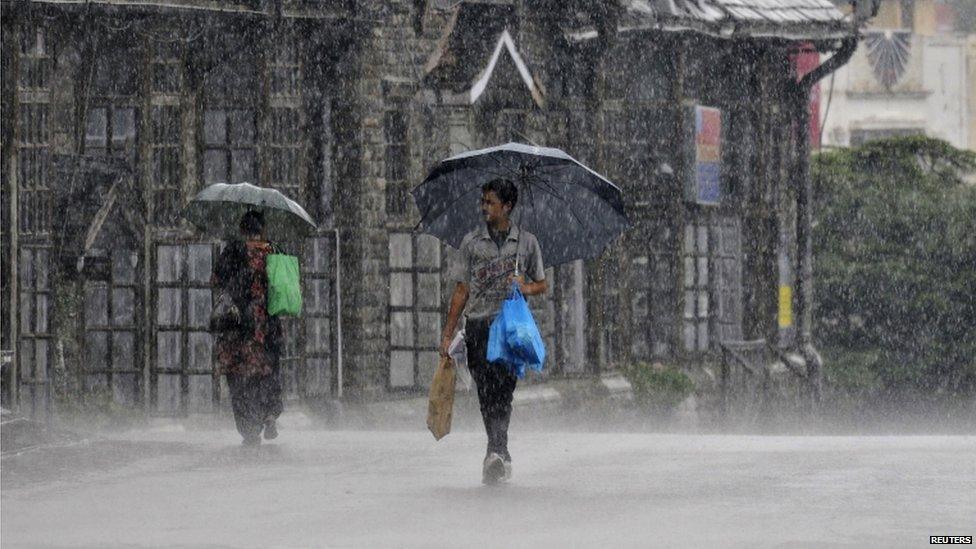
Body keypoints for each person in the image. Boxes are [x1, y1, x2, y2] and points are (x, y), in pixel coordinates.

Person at [440, 178, 547, 484]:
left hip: (510, 329)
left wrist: (523, 286)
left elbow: (541, 283)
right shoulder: (471, 243)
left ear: (508, 206)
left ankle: (496, 450)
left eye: (491, 202)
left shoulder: (526, 243)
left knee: (504, 390)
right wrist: (448, 333)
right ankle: (498, 449)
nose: (484, 207)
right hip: (478, 326)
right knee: (486, 391)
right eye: (483, 202)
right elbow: (461, 290)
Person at [212, 210, 284, 446]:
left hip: (239, 328)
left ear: (242, 229)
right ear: (262, 230)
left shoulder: (234, 250)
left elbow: (216, 280)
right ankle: (269, 413)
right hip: (266, 327)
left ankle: (249, 430)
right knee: (266, 373)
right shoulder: (273, 251)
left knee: (239, 380)